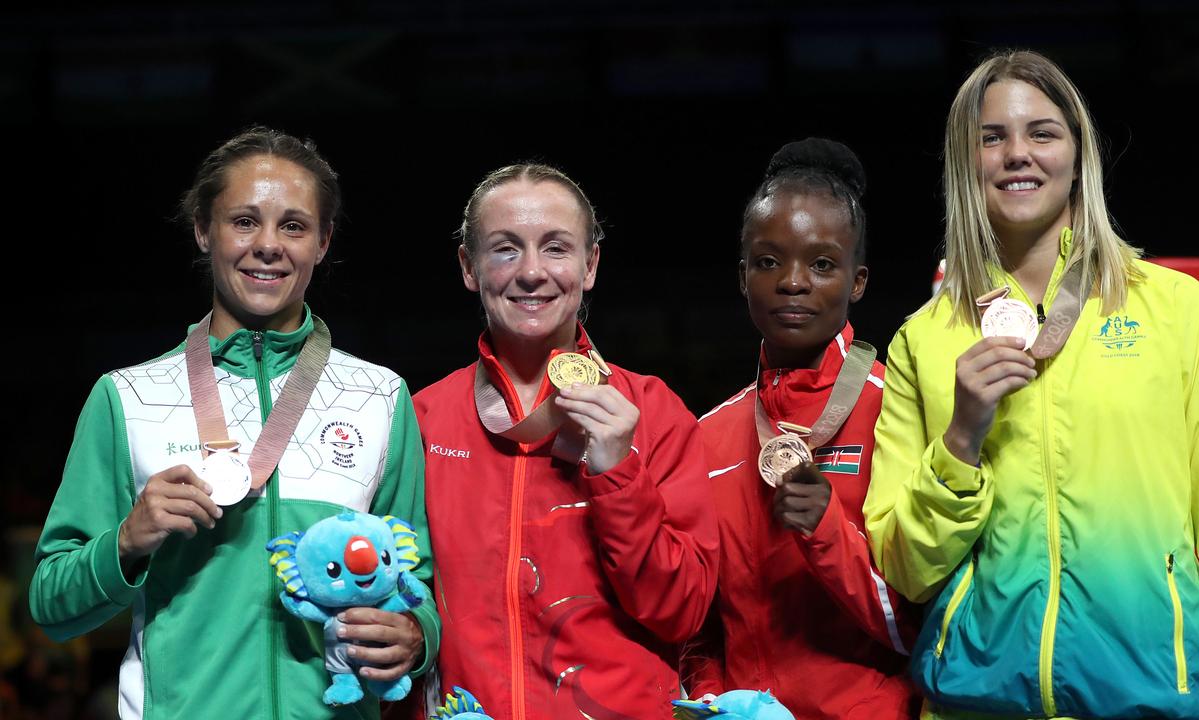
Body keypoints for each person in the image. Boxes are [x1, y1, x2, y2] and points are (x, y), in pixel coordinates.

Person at [863, 49, 1199, 719]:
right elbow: (906, 569)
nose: (1017, 153)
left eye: (1042, 132)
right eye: (992, 136)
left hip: (1153, 700)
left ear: (1077, 153)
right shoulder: (926, 340)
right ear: (964, 163)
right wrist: (963, 437)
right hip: (978, 704)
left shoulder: (1171, 308)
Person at [29, 127, 440, 719]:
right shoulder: (128, 397)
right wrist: (127, 541)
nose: (268, 245)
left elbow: (416, 580)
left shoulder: (378, 397)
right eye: (244, 221)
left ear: (323, 242)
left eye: (293, 226)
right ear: (203, 230)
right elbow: (50, 604)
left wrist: (416, 635)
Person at [412, 163, 718, 719]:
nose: (532, 272)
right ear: (468, 267)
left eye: (556, 248)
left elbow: (683, 612)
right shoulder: (423, 419)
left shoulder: (653, 412)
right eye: (506, 249)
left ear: (590, 263)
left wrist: (618, 474)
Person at [686, 138, 917, 719]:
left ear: (857, 281)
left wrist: (825, 532)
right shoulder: (705, 436)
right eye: (768, 262)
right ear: (743, 276)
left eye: (821, 264)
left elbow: (927, 632)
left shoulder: (900, 414)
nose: (793, 282)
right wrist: (715, 698)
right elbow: (696, 628)